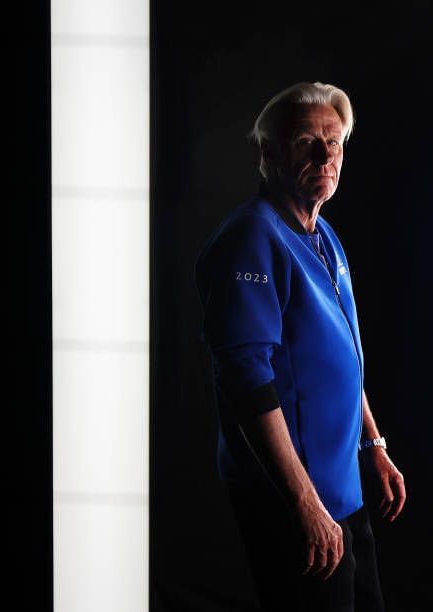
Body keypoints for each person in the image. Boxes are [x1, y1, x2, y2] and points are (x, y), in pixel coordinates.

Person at [194, 81, 406, 611]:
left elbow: (343, 353)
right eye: (305, 142)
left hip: (342, 487)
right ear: (268, 154)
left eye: (333, 143)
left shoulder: (322, 232)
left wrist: (372, 444)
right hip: (295, 497)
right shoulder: (251, 238)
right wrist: (304, 504)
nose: (323, 155)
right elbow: (246, 382)